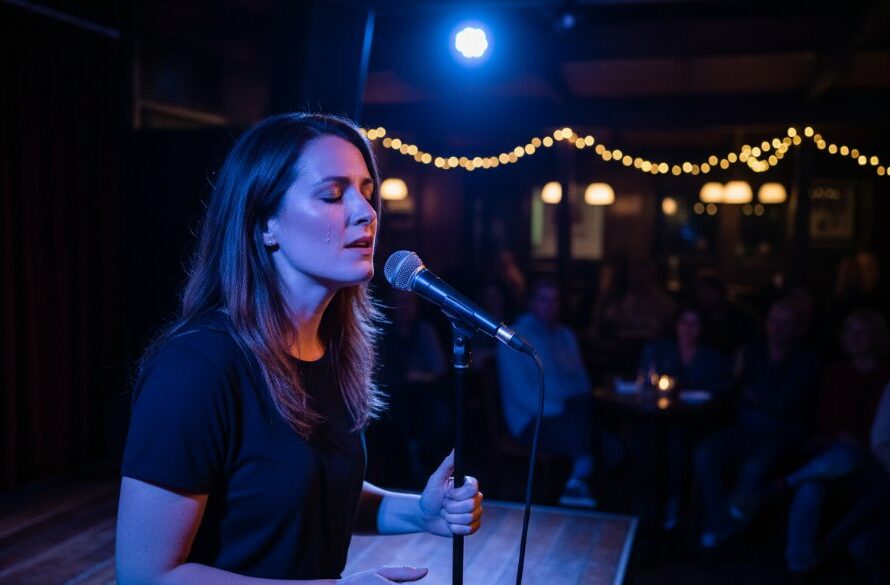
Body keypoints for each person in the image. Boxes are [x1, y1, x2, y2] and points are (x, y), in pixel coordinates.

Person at [116, 113, 483, 585]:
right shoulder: (195, 368)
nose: (366, 212)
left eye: (367, 192)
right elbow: (144, 575)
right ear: (265, 224)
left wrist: (419, 513)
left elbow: (304, 494)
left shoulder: (329, 349)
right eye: (333, 195)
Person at [693, 298, 819, 548]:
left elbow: (785, 404)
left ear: (798, 328)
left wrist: (755, 396)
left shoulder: (806, 360)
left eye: (786, 323)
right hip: (746, 426)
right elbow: (732, 388)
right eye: (774, 321)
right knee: (704, 452)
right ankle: (722, 523)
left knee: (754, 466)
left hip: (783, 431)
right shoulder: (751, 353)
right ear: (766, 323)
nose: (778, 328)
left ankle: (729, 526)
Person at [497, 278, 597, 507]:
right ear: (531, 302)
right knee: (592, 426)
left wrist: (570, 403)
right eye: (543, 300)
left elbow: (582, 382)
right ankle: (579, 479)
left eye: (554, 300)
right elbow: (522, 395)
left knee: (591, 414)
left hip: (570, 410)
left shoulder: (565, 336)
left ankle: (578, 480)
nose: (549, 306)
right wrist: (564, 406)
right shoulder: (514, 337)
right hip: (530, 420)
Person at [637, 305, 730, 531]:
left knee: (678, 443)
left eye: (694, 324)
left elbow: (720, 391)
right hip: (661, 420)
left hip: (697, 422)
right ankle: (648, 509)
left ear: (702, 328)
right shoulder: (662, 351)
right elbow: (647, 379)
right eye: (684, 323)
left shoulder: (711, 357)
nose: (688, 329)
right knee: (649, 441)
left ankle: (676, 505)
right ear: (676, 325)